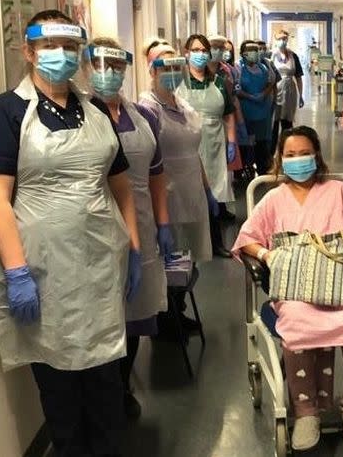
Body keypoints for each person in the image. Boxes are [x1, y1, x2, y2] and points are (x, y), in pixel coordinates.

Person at [0, 10, 140, 457]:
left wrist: (134, 247)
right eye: (49, 46)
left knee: (107, 386)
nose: (61, 56)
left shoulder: (95, 113)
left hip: (102, 263)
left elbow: (119, 183)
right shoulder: (5, 112)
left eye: (70, 47)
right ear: (28, 51)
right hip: (44, 271)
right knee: (61, 391)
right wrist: (16, 272)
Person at [232, 126, 343, 453]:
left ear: (316, 155)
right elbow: (247, 239)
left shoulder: (337, 191)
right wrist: (266, 253)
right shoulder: (273, 199)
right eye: (290, 155)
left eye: (303, 153)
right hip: (298, 292)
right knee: (297, 318)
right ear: (280, 159)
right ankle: (306, 410)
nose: (297, 160)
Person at [81, 37, 174, 419]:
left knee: (136, 315)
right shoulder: (81, 114)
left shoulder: (143, 116)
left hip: (142, 221)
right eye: (101, 65)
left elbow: (156, 174)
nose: (110, 73)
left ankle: (122, 387)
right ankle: (104, 395)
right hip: (96, 227)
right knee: (103, 315)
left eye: (117, 66)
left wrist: (163, 223)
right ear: (86, 67)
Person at [138, 40, 216, 335]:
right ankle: (167, 319)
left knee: (189, 258)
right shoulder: (148, 108)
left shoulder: (181, 103)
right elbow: (149, 162)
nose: (172, 72)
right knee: (170, 263)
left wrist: (207, 190)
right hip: (168, 197)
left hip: (192, 191)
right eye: (164, 66)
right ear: (151, 70)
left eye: (176, 66)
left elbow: (194, 151)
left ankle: (178, 310)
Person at [179, 34, 237, 257]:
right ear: (186, 53)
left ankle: (216, 243)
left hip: (214, 143)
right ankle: (188, 244)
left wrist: (231, 142)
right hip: (186, 144)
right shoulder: (179, 81)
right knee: (189, 195)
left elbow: (229, 114)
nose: (201, 54)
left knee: (213, 195)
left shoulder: (218, 82)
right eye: (195, 50)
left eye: (204, 50)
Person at [197, 34, 241, 220]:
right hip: (198, 133)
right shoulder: (192, 75)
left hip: (219, 129)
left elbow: (229, 108)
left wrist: (232, 140)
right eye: (212, 47)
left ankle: (221, 211)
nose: (217, 51)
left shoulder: (225, 73)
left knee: (221, 174)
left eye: (220, 48)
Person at [237, 40, 274, 175]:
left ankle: (262, 168)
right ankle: (246, 168)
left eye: (256, 51)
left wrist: (264, 93)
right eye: (251, 51)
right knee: (247, 142)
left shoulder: (263, 67)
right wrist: (250, 96)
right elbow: (236, 89)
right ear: (244, 54)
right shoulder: (238, 68)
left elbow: (271, 81)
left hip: (263, 110)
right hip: (246, 110)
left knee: (261, 142)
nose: (255, 54)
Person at [271, 29, 304, 140]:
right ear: (275, 40)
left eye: (284, 39)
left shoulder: (293, 56)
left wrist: (301, 95)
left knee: (287, 121)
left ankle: (286, 145)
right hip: (275, 90)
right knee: (274, 122)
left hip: (290, 91)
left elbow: (298, 77)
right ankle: (271, 152)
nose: (282, 41)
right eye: (280, 39)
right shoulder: (271, 55)